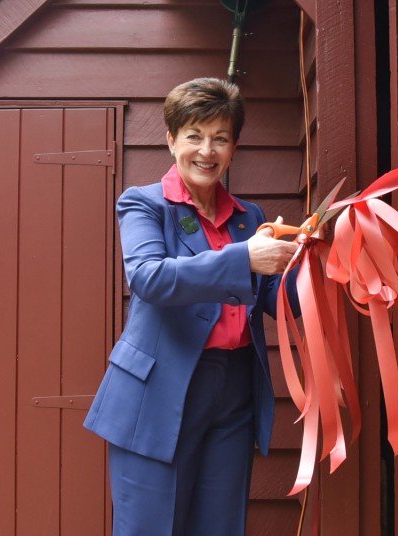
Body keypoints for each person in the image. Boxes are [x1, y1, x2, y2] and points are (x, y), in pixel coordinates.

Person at [83, 77, 300, 535]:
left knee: (219, 528)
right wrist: (244, 257)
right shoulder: (143, 204)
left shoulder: (250, 218)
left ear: (234, 147)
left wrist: (322, 266)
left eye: (220, 138)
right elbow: (149, 278)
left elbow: (279, 299)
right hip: (159, 391)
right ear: (171, 139)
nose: (207, 150)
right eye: (194, 136)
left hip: (234, 390)